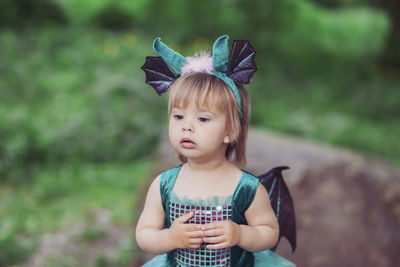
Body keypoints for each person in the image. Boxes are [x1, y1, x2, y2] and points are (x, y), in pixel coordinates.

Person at [136, 35, 295, 267]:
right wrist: (169, 237)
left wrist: (241, 234)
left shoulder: (247, 188)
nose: (186, 126)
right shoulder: (164, 184)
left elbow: (269, 231)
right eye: (178, 116)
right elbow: (145, 233)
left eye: (202, 118)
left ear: (230, 131)